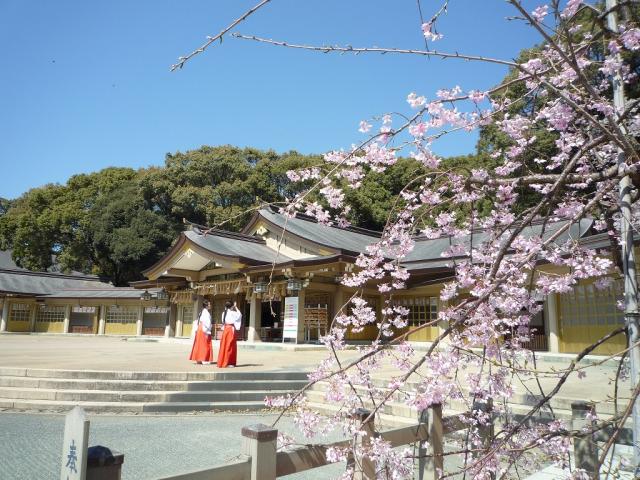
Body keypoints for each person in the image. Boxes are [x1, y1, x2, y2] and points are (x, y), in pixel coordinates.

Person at [217, 300, 241, 368]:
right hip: (230, 329)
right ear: (232, 306)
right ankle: (228, 362)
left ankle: (223, 361)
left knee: (225, 345)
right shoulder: (232, 313)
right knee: (230, 346)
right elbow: (239, 315)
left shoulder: (223, 313)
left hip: (225, 329)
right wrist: (236, 307)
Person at [189, 300, 213, 365]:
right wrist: (209, 329)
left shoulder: (201, 312)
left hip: (200, 328)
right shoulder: (206, 313)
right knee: (205, 344)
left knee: (199, 344)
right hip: (204, 329)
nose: (210, 305)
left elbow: (198, 321)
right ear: (206, 306)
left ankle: (198, 359)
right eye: (209, 304)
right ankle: (204, 359)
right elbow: (207, 323)